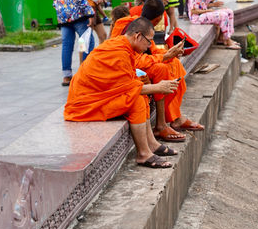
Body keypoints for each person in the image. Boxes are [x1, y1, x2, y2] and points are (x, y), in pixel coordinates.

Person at [65, 17, 181, 168]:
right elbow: (130, 88)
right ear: (138, 36)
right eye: (148, 41)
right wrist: (158, 87)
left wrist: (164, 60)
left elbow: (131, 79)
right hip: (84, 104)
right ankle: (143, 154)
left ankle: (151, 144)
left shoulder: (124, 46)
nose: (149, 45)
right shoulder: (118, 51)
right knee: (136, 100)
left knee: (141, 94)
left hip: (98, 95)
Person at [110, 0, 205, 140]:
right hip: (125, 70)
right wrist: (164, 56)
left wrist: (170, 53)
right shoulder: (130, 28)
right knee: (161, 69)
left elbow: (152, 51)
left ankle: (176, 117)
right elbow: (134, 61)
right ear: (159, 18)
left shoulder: (143, 27)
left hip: (139, 65)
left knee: (175, 64)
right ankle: (160, 125)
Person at [50, 0, 96, 87]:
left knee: (67, 45)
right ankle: (85, 73)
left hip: (63, 18)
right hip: (79, 16)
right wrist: (89, 12)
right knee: (88, 42)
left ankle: (67, 76)